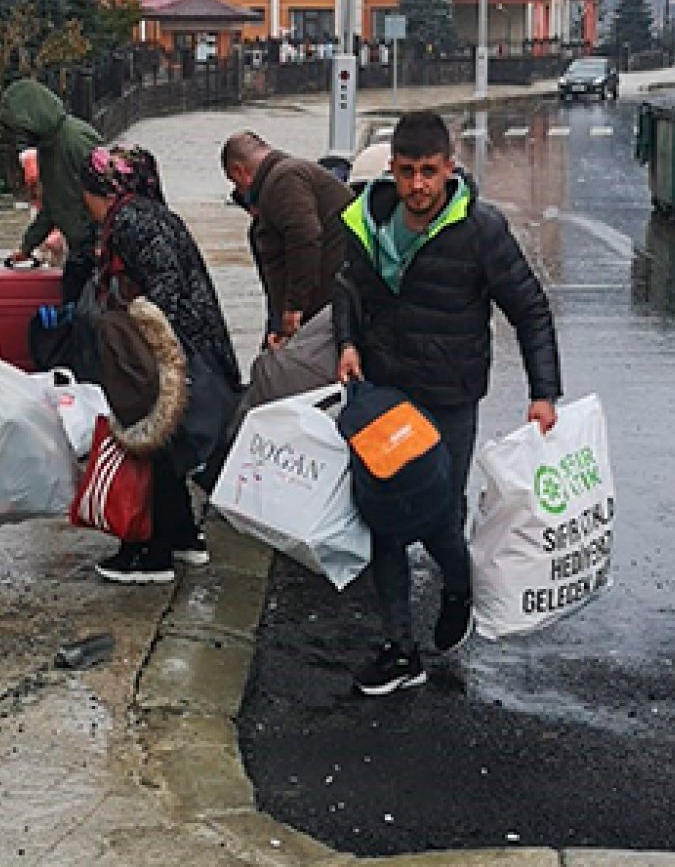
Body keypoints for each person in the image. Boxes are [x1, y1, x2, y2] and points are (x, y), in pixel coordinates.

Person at [333, 110, 562, 695]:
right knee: (382, 516)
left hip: (451, 396)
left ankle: (456, 584)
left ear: (449, 168)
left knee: (437, 519)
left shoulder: (480, 230)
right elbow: (347, 291)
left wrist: (544, 393)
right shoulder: (367, 221)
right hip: (386, 394)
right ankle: (399, 648)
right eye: (406, 172)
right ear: (392, 170)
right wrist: (349, 343)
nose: (417, 186)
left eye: (428, 172)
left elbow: (530, 309)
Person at [82, 145, 244, 585]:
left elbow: (165, 290)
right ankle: (182, 537)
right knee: (165, 449)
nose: (85, 202)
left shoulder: (134, 222)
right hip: (184, 349)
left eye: (88, 191)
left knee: (148, 443)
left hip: (173, 354)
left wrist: (144, 353)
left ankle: (149, 553)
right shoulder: (145, 215)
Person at [219, 131, 354, 349]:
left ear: (240, 171)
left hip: (323, 308)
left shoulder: (285, 178)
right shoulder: (288, 176)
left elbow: (305, 238)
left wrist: (294, 308)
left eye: (235, 183)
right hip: (326, 303)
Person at [0, 79, 101, 302]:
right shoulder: (47, 150)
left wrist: (103, 241)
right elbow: (52, 206)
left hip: (97, 248)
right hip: (81, 248)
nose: (21, 135)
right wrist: (27, 246)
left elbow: (107, 192)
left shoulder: (76, 140)